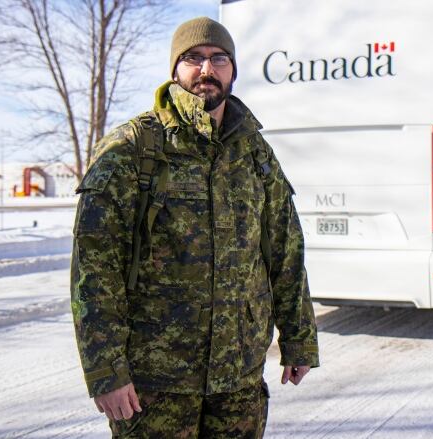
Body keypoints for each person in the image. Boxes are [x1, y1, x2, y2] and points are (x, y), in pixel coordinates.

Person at [70, 17, 319, 438]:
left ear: (233, 70)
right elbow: (95, 270)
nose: (207, 69)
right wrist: (105, 371)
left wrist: (298, 338)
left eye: (218, 58)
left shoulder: (255, 152)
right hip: (154, 384)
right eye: (193, 58)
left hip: (239, 377)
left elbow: (284, 248)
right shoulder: (132, 148)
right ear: (175, 70)